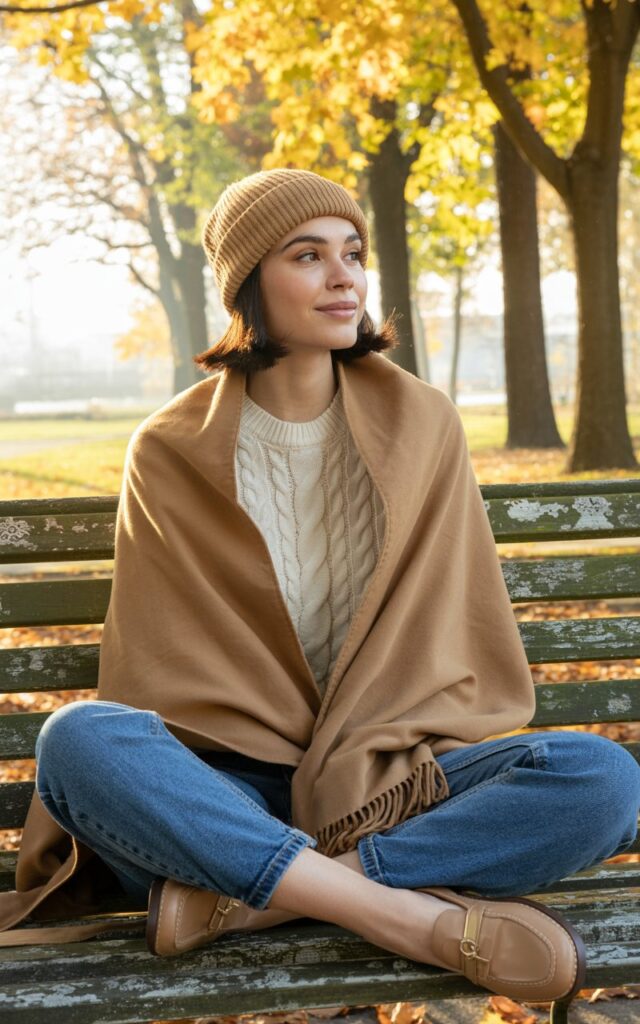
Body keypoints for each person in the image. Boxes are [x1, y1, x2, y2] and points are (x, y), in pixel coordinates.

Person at [10, 170, 640, 1008]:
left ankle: (246, 906)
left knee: (602, 779)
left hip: (388, 776)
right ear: (248, 287)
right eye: (307, 256)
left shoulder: (426, 423)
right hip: (223, 791)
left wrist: (345, 787)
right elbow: (157, 667)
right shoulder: (168, 450)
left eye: (351, 253)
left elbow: (455, 622)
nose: (343, 277)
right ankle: (402, 917)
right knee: (80, 741)